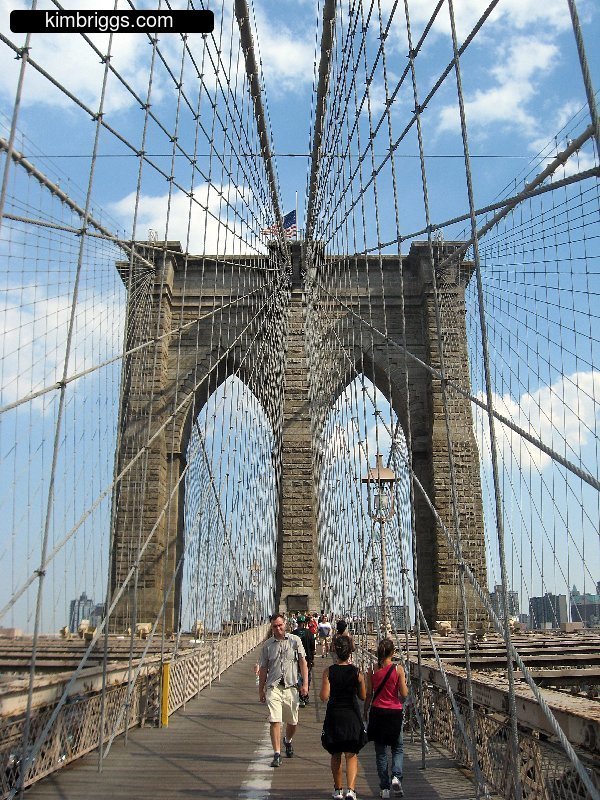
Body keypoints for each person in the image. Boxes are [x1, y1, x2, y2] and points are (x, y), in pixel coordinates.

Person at [258, 612, 309, 767]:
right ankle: (277, 754)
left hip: (291, 686)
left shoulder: (295, 641)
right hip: (273, 687)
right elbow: (263, 669)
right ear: (272, 627)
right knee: (275, 720)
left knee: (293, 721)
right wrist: (261, 690)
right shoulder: (267, 646)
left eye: (280, 625)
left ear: (285, 624)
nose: (278, 628)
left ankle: (287, 740)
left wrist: (305, 684)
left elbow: (303, 663)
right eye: (275, 626)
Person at [320, 636, 367, 800]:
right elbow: (363, 696)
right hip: (352, 716)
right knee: (351, 754)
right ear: (350, 652)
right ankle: (352, 790)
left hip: (334, 715)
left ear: (335, 651)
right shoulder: (357, 672)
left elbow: (323, 696)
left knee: (335, 754)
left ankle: (338, 790)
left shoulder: (329, 672)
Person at [364, 639, 408, 798]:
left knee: (381, 751)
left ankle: (384, 789)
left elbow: (369, 694)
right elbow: (403, 694)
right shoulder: (398, 669)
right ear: (393, 652)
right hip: (394, 713)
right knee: (398, 747)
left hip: (377, 712)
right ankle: (396, 777)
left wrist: (365, 712)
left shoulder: (372, 670)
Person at [293, 615, 315, 706]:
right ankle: (305, 695)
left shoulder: (293, 633)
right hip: (307, 659)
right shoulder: (309, 633)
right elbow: (312, 647)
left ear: (297, 623)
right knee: (307, 677)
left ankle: (300, 696)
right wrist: (312, 659)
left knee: (297, 677)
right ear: (305, 623)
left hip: (296, 658)